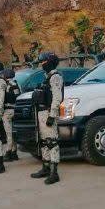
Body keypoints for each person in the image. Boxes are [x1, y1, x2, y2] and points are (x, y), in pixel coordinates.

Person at [30, 52, 63, 185]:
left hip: (48, 112)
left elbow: (57, 98)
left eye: (44, 62)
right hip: (41, 112)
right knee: (44, 142)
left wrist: (52, 115)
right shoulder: (47, 77)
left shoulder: (55, 77)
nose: (42, 64)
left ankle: (54, 173)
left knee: (51, 142)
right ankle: (46, 167)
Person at [1, 69, 20, 162]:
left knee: (8, 133)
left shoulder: (6, 85)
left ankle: (8, 152)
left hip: (7, 111)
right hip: (15, 110)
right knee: (13, 133)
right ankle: (14, 152)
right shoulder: (16, 84)